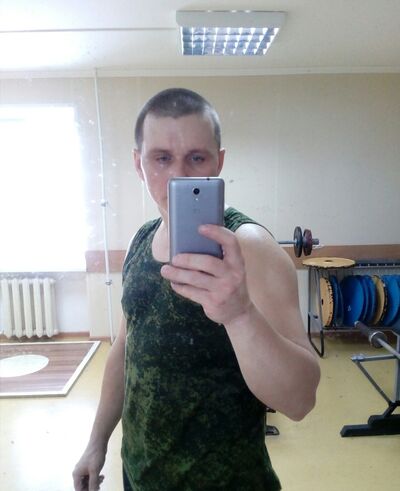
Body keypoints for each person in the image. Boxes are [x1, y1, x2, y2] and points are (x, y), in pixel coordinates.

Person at [72, 88, 320, 491]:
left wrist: (239, 314)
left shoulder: (250, 246)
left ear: (218, 162)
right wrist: (96, 441)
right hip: (138, 476)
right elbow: (125, 347)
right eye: (161, 158)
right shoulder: (140, 240)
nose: (179, 175)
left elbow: (300, 399)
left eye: (196, 158)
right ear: (138, 164)